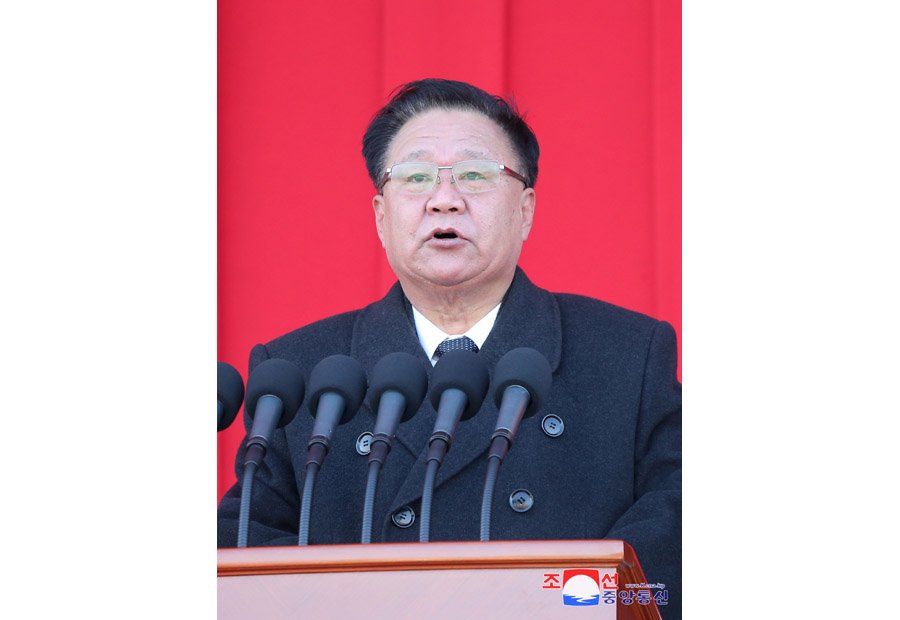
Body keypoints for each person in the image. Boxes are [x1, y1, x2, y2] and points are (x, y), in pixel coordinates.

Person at [217, 78, 681, 617]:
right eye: (415, 177)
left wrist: (559, 603)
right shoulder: (300, 372)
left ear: (525, 210)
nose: (444, 200)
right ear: (381, 217)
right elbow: (244, 547)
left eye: (475, 175)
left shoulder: (627, 355)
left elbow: (675, 538)